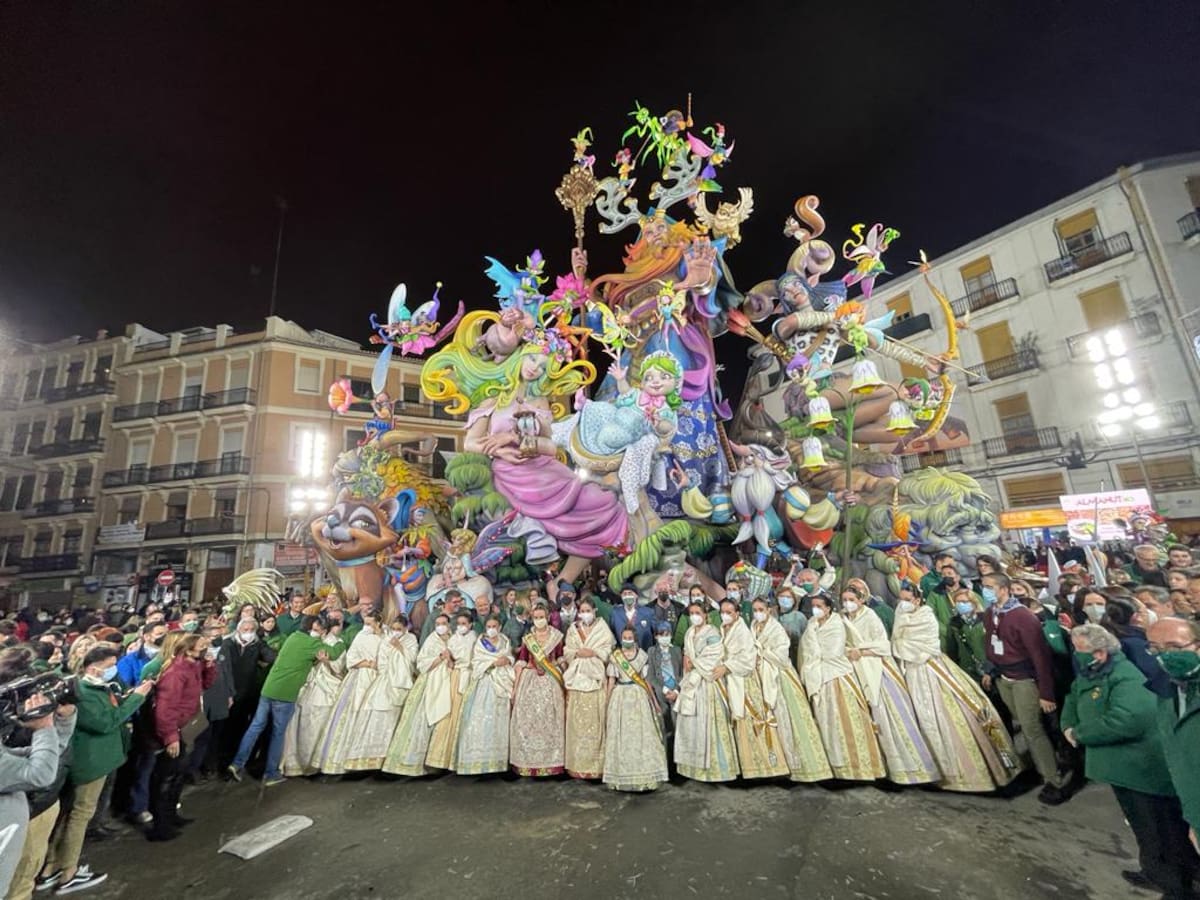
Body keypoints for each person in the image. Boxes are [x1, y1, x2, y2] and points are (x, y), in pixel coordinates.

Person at [1060, 624, 1194, 895]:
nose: (1075, 654)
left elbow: (1127, 720)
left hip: (1140, 772)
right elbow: (1073, 697)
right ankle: (1155, 871)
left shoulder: (1125, 676)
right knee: (1143, 828)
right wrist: (1067, 725)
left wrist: (1080, 733)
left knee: (1158, 831)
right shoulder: (1091, 673)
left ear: (1099, 653)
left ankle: (1175, 886)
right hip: (1121, 770)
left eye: (1080, 650)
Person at [36, 646, 152, 891]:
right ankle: (68, 873)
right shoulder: (83, 693)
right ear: (92, 667)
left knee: (70, 814)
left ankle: (51, 868)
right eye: (109, 665)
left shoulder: (97, 688)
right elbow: (105, 722)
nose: (113, 669)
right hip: (91, 762)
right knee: (80, 815)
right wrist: (138, 698)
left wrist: (128, 696)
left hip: (96, 760)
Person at [891, 584, 1020, 792]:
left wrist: (901, 644)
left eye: (907, 599)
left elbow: (924, 646)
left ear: (917, 600)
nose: (902, 604)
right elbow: (895, 643)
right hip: (912, 674)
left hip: (932, 669)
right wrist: (900, 640)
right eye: (900, 599)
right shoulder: (902, 616)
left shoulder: (926, 615)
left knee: (956, 713)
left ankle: (984, 768)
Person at [982, 573, 1073, 804]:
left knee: (1032, 729)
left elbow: (1040, 657)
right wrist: (990, 670)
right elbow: (990, 643)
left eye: (990, 587)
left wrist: (1046, 693)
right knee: (1024, 725)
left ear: (1004, 589)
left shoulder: (1023, 617)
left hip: (1024, 680)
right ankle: (1038, 766)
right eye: (984, 586)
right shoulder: (991, 613)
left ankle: (1052, 778)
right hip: (1004, 677)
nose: (986, 591)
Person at [227, 613, 346, 786]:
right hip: (285, 694)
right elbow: (334, 653)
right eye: (319, 629)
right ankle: (271, 773)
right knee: (278, 733)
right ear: (313, 628)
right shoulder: (312, 643)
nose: (321, 632)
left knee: (255, 727)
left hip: (269, 689)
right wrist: (340, 640)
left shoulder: (293, 637)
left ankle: (237, 763)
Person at [842, 587, 939, 786]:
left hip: (878, 671)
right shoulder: (842, 619)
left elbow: (884, 645)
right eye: (844, 599)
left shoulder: (870, 617)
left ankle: (906, 769)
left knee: (888, 718)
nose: (847, 603)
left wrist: (861, 652)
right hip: (856, 670)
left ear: (861, 600)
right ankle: (877, 767)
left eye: (851, 599)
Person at [0, 649, 75, 899]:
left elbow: (46, 754)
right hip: (22, 814)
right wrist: (43, 726)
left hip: (33, 811)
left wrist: (60, 722)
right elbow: (39, 773)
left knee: (22, 881)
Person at [799, 592, 885, 781]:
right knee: (826, 721)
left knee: (844, 720)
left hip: (836, 676)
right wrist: (814, 655)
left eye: (820, 606)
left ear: (829, 608)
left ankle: (855, 767)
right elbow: (807, 649)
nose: (815, 610)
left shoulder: (836, 624)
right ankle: (833, 768)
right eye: (813, 606)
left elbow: (833, 652)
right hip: (819, 676)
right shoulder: (812, 624)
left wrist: (815, 654)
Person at [382, 611, 474, 775]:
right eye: (438, 624)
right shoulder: (431, 640)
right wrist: (440, 658)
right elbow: (421, 663)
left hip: (450, 680)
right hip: (431, 680)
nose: (441, 627)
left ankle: (439, 758)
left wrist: (451, 660)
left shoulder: (455, 638)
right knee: (423, 717)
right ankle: (415, 761)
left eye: (444, 624)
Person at [750, 597, 831, 783]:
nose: (757, 613)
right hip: (760, 674)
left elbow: (781, 656)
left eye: (761, 609)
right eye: (755, 610)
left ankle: (797, 765)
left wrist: (762, 652)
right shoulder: (754, 626)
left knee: (789, 717)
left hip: (779, 676)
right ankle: (776, 765)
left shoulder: (776, 629)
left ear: (769, 610)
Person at [148, 633, 215, 841]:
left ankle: (171, 815)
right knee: (166, 777)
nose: (206, 648)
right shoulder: (176, 673)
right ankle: (160, 826)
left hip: (187, 727)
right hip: (175, 731)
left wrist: (209, 667)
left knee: (178, 775)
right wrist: (171, 737)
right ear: (188, 649)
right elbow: (165, 708)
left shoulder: (194, 666)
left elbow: (205, 685)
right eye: (202, 645)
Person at [1147, 617, 1200, 861]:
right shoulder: (1169, 692)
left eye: (1174, 647)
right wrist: (1194, 819)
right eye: (1155, 649)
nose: (1165, 656)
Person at [674, 601, 739, 782]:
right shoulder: (689, 632)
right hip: (692, 682)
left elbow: (715, 655)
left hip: (707, 683)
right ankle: (692, 768)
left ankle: (716, 769)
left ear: (705, 615)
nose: (694, 616)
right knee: (690, 723)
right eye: (692, 613)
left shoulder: (712, 632)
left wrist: (694, 663)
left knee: (709, 722)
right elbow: (687, 653)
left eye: (698, 613)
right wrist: (687, 660)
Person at [316, 610, 385, 774]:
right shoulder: (360, 636)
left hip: (379, 677)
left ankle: (367, 758)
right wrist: (367, 664)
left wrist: (379, 665)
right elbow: (351, 658)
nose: (366, 626)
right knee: (353, 712)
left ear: (378, 623)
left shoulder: (385, 637)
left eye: (370, 623)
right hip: (360, 678)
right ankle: (343, 759)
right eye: (365, 623)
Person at [602, 626, 668, 792]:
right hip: (620, 697)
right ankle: (621, 776)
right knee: (621, 736)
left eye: (630, 637)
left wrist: (654, 701)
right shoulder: (616, 656)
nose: (627, 640)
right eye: (624, 637)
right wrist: (607, 702)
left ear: (635, 638)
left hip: (639, 696)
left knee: (642, 736)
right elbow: (611, 681)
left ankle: (644, 777)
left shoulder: (642, 656)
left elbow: (646, 681)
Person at [508, 604, 566, 776]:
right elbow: (522, 661)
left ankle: (552, 763)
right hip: (530, 679)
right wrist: (516, 687)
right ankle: (527, 763)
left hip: (551, 678)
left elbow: (560, 658)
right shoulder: (528, 639)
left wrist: (563, 674)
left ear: (547, 617)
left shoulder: (556, 636)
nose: (539, 620)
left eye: (542, 617)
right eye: (536, 617)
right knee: (527, 718)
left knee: (551, 718)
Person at [453, 615, 514, 775]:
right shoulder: (480, 642)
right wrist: (492, 663)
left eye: (494, 626)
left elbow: (510, 656)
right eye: (489, 626)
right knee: (481, 718)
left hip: (502, 681)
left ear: (499, 627)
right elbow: (476, 662)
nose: (491, 629)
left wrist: (507, 660)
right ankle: (478, 760)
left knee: (500, 720)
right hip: (485, 682)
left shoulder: (505, 641)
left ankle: (498, 762)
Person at [563, 598, 614, 780]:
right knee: (577, 724)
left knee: (596, 723)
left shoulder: (603, 628)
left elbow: (608, 650)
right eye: (582, 611)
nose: (585, 614)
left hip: (595, 679)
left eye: (588, 610)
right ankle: (577, 766)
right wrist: (577, 652)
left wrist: (593, 652)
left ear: (594, 610)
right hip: (577, 679)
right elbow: (567, 650)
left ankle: (596, 767)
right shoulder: (573, 629)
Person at [646, 621, 681, 746]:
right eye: (661, 635)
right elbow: (650, 676)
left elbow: (682, 674)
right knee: (665, 726)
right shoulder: (652, 651)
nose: (664, 637)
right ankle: (667, 753)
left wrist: (676, 691)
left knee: (678, 725)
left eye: (667, 634)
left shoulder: (676, 651)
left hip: (677, 693)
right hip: (661, 693)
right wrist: (664, 690)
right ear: (656, 636)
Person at [946, 589, 987, 684]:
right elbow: (952, 649)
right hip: (967, 668)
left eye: (964, 602)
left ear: (973, 603)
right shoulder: (954, 624)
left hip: (987, 668)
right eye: (957, 602)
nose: (960, 604)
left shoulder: (985, 619)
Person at [115, 622, 166, 687]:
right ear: (146, 637)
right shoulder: (128, 660)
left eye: (167, 634)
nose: (165, 637)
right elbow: (125, 687)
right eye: (160, 634)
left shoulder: (173, 656)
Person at [609, 584, 653, 650]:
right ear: (621, 596)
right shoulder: (615, 613)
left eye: (630, 593)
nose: (627, 596)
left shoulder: (648, 612)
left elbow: (655, 633)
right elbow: (612, 634)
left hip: (644, 653)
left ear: (636, 595)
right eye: (624, 594)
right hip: (623, 652)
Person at [774, 586, 807, 662]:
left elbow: (805, 638)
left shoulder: (799, 617)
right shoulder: (771, 614)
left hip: (793, 655)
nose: (785, 599)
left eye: (788, 597)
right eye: (782, 596)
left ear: (794, 600)